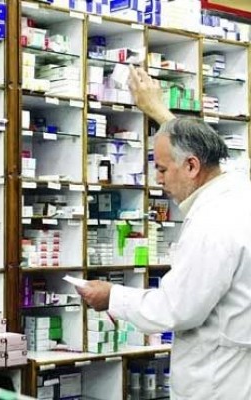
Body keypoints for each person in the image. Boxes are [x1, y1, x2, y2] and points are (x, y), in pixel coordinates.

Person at [78, 66, 251, 399]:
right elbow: (215, 154)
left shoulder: (213, 222)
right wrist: (158, 112)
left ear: (191, 166)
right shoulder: (238, 191)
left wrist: (112, 296)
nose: (158, 179)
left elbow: (175, 309)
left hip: (216, 383)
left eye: (161, 169)